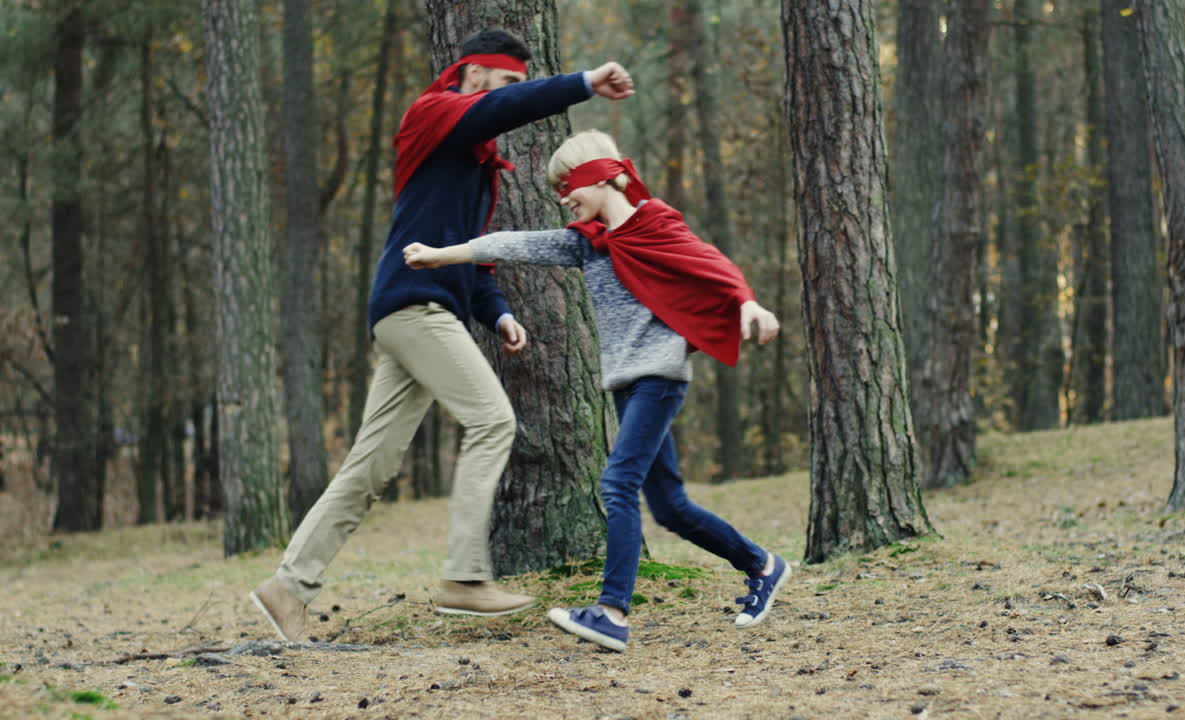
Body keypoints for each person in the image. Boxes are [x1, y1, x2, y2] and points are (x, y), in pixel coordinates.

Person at [250, 31, 635, 643]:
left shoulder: (477, 165)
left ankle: (287, 588)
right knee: (493, 421)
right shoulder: (433, 115)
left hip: (424, 311)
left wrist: (500, 312)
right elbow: (497, 110)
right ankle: (463, 577)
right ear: (476, 75)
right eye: (508, 84)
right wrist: (584, 84)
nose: (510, 101)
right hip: (413, 306)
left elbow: (472, 258)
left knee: (368, 468)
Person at [402, 130, 791, 652]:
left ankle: (611, 612)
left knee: (616, 484)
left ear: (603, 177)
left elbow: (712, 264)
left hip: (660, 375)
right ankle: (762, 565)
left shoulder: (656, 223)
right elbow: (515, 244)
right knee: (670, 507)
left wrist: (748, 304)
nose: (563, 196)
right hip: (624, 382)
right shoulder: (586, 244)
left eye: (568, 185)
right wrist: (440, 255)